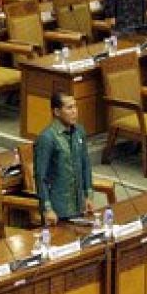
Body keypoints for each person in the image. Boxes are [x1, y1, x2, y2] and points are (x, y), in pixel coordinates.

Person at [34, 93, 94, 225]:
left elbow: (86, 164)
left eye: (75, 107)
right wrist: (47, 208)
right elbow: (40, 176)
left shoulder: (79, 131)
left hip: (80, 205)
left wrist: (88, 195)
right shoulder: (47, 138)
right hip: (58, 210)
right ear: (56, 111)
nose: (74, 111)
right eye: (69, 108)